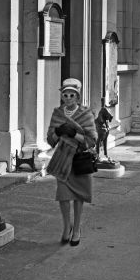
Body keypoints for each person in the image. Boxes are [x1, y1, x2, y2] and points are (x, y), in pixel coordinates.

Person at [46, 78, 97, 246]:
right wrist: (59, 132)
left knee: (78, 196)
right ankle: (66, 227)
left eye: (71, 95)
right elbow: (50, 140)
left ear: (77, 97)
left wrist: (74, 134)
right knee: (63, 196)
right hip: (62, 160)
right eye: (65, 95)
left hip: (79, 160)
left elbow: (91, 140)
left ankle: (76, 229)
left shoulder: (86, 113)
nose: (68, 98)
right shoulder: (57, 113)